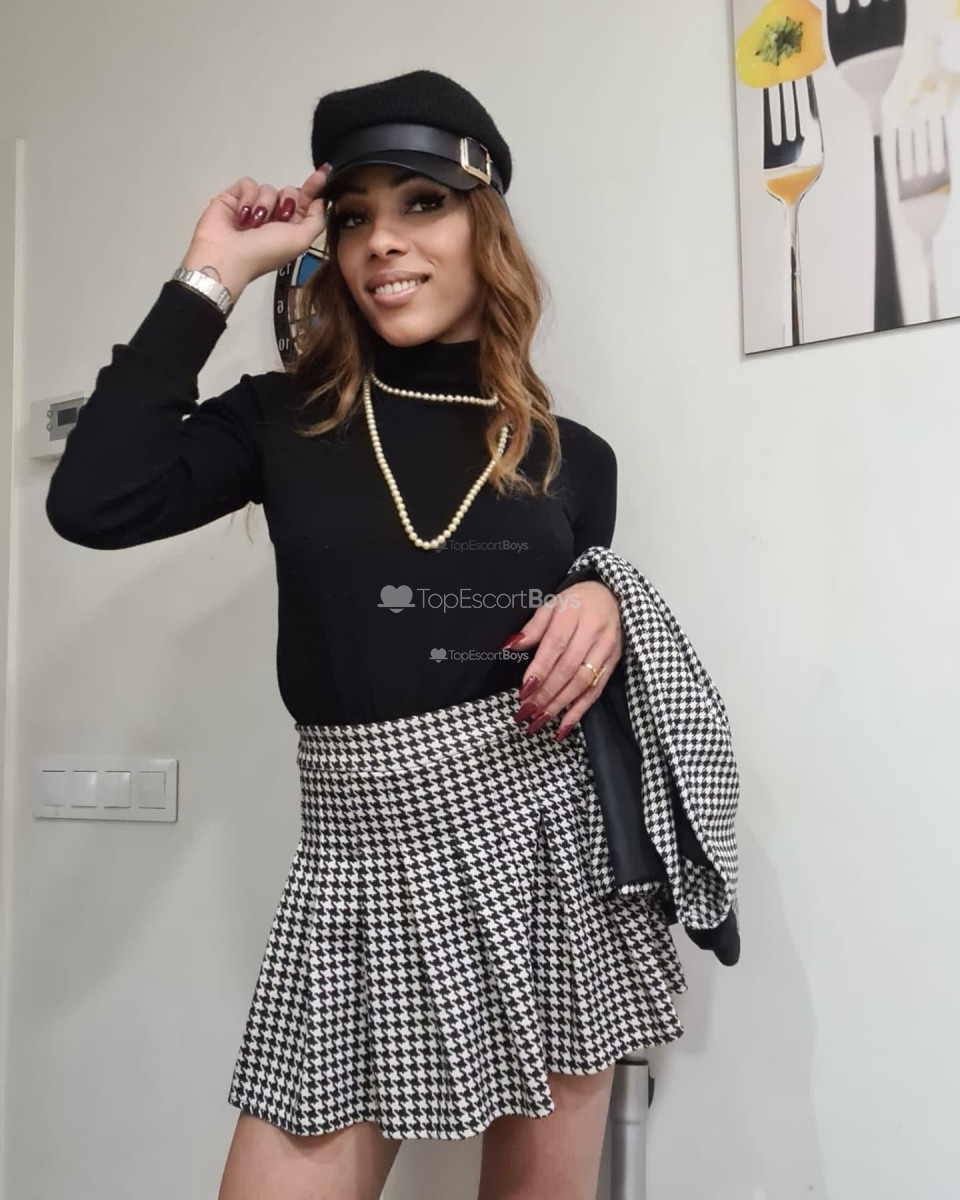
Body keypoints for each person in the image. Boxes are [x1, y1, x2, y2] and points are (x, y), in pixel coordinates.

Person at [45, 68, 687, 1200]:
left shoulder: (574, 457)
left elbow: (573, 625)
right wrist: (213, 269)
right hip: (357, 866)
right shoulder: (284, 416)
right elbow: (93, 500)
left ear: (485, 225)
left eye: (422, 203)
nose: (382, 240)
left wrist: (607, 593)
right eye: (353, 218)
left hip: (547, 862)